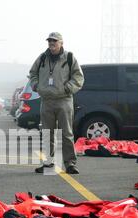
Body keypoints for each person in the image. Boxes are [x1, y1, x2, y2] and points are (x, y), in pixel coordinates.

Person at [29, 32, 84, 175]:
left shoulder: (70, 58)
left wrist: (67, 88)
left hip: (64, 100)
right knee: (48, 133)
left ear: (61, 43)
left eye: (54, 41)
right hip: (46, 101)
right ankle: (48, 162)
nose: (51, 44)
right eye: (49, 41)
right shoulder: (42, 58)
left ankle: (70, 164)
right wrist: (36, 86)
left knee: (67, 133)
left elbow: (78, 77)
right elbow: (32, 73)